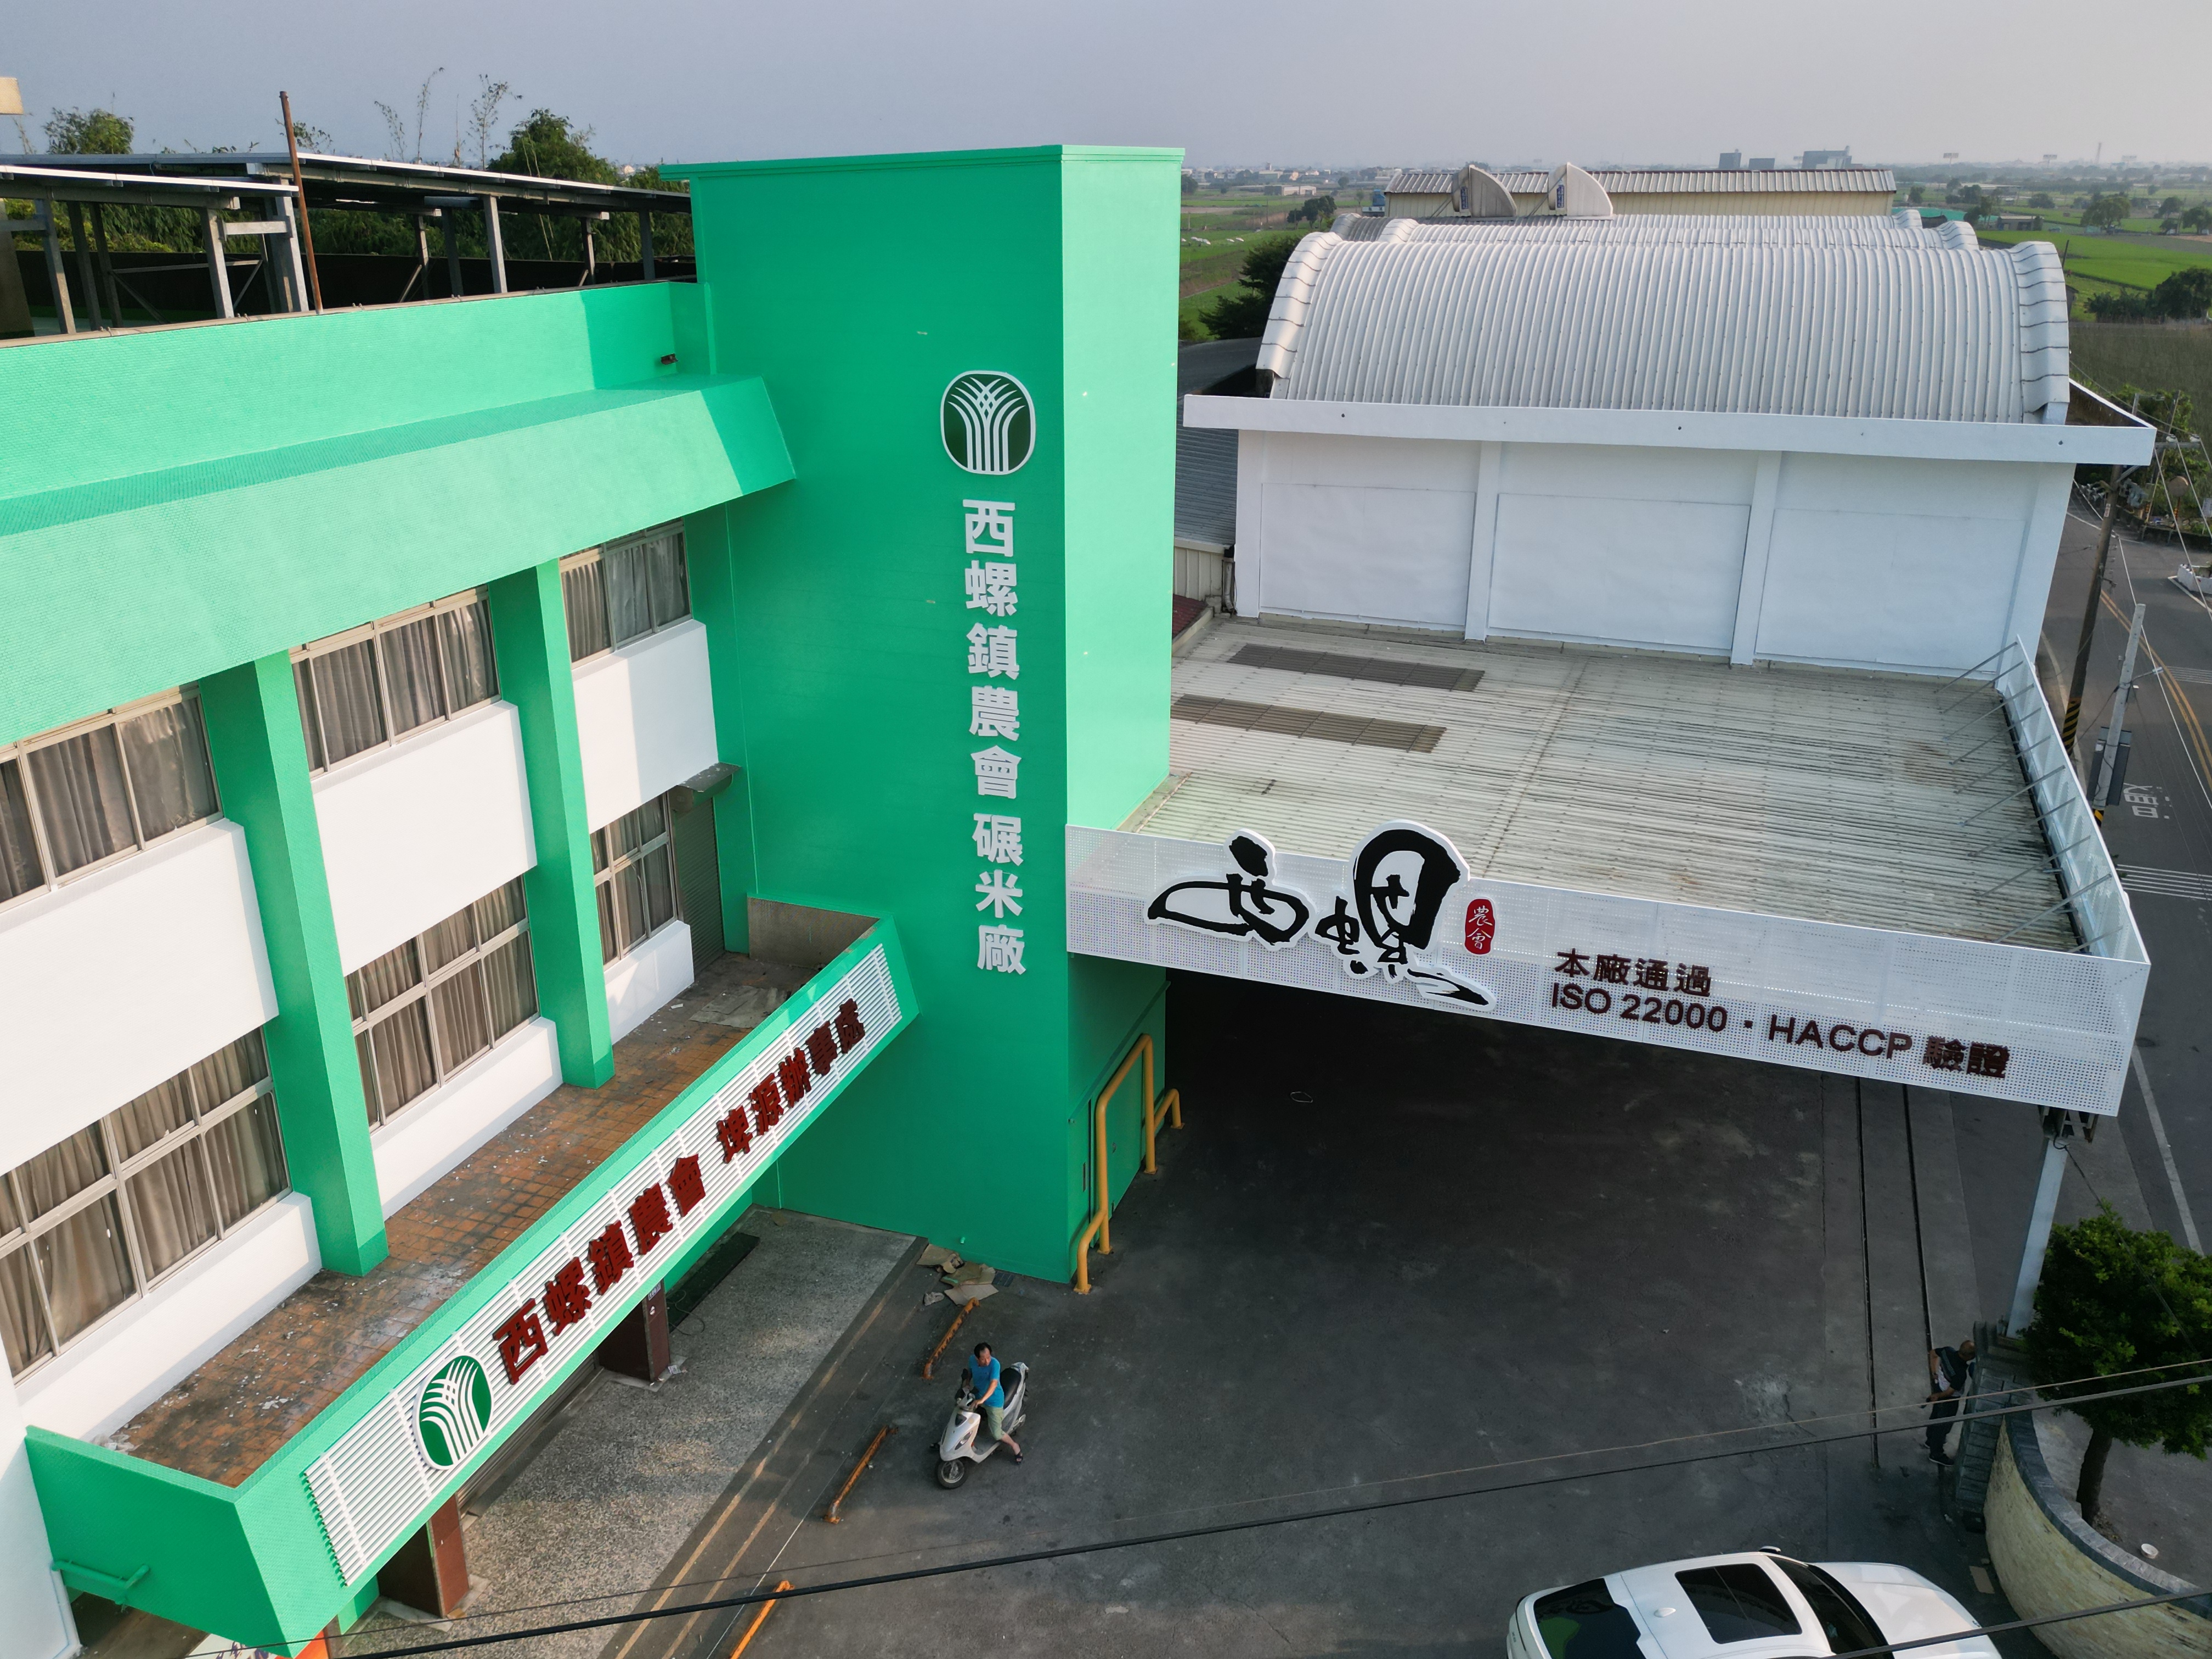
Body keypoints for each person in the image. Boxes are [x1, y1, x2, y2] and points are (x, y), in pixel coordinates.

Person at [966, 1341, 1021, 1463]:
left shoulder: (995, 1364)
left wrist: (982, 1400)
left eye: (988, 1357)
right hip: (978, 1395)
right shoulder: (972, 1360)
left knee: (997, 1434)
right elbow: (970, 1371)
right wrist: (967, 1383)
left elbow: (994, 1384)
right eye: (983, 1359)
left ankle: (1015, 1446)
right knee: (961, 1411)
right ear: (977, 1358)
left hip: (994, 1401)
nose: (987, 1362)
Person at [1925, 1338, 1977, 1465]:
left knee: (1935, 1416)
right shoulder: (1961, 1374)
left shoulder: (1947, 1351)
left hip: (1939, 1388)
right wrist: (1939, 1396)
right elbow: (1950, 1392)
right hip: (1949, 1400)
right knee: (1942, 1427)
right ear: (1970, 1357)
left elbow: (1933, 1354)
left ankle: (1930, 1440)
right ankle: (1936, 1454)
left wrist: (1934, 1373)